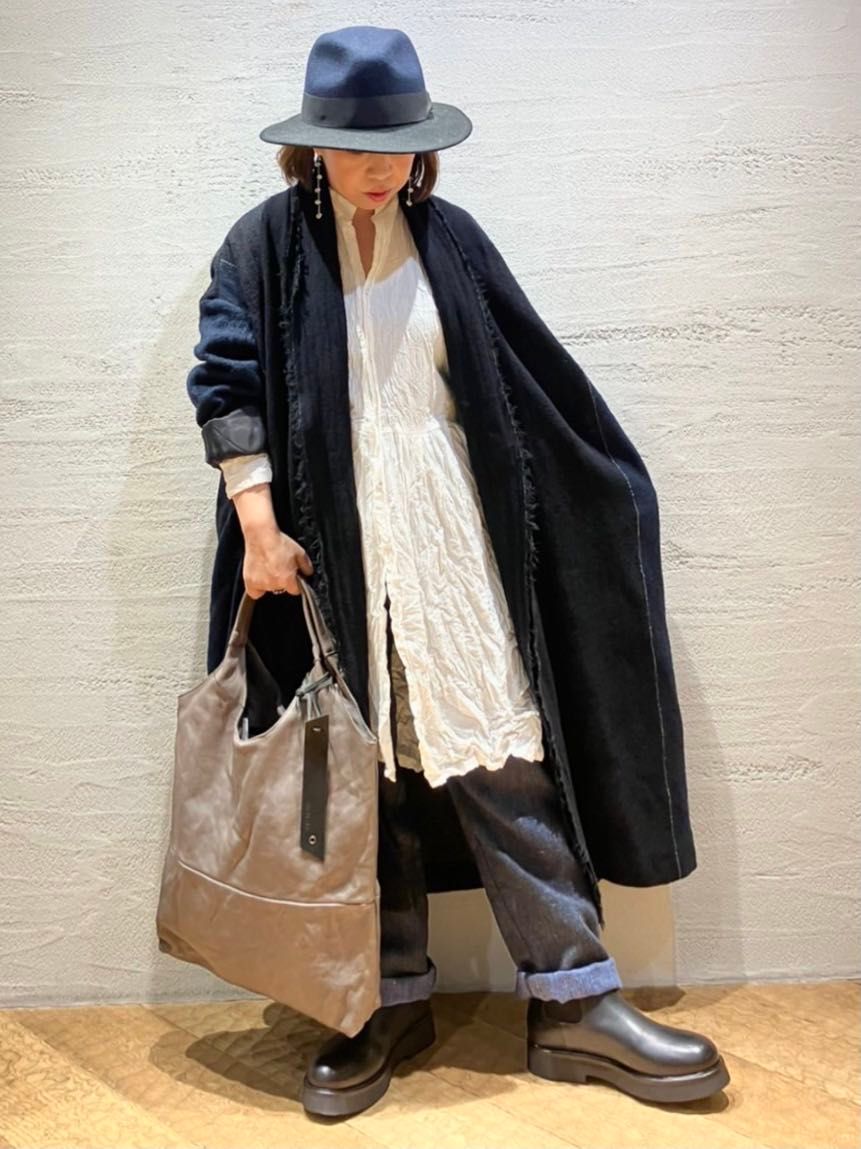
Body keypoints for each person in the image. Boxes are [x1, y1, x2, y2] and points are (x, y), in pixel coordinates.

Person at [187, 24, 729, 1119]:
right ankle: (381, 1001)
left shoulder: (452, 240)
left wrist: (600, 495)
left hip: (445, 536)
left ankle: (575, 1001)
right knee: (361, 780)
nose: (381, 167)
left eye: (399, 146)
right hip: (326, 552)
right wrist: (258, 526)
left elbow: (526, 384)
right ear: (313, 145)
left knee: (503, 761)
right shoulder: (264, 246)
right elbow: (225, 379)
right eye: (359, 146)